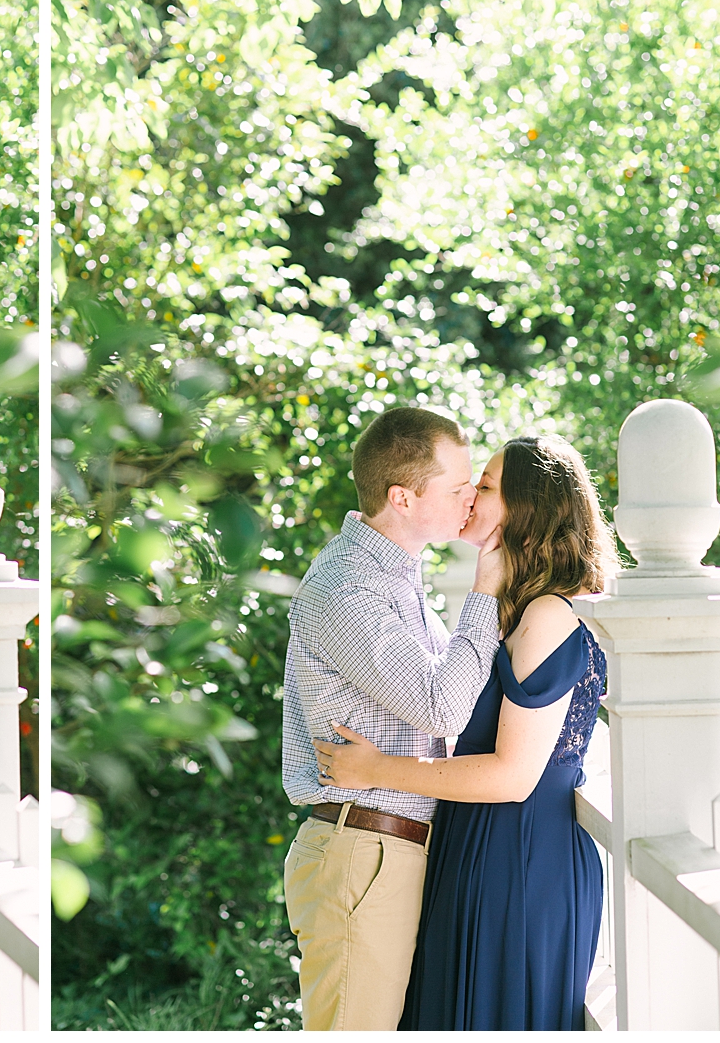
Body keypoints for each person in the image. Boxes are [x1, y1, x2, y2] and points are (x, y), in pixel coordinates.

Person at [315, 435, 613, 1031]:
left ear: (527, 509)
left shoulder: (548, 615)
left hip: (518, 861)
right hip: (480, 845)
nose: (472, 497)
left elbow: (512, 774)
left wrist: (375, 770)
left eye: (487, 487)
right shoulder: (515, 608)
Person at [282, 405, 505, 1031]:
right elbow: (440, 704)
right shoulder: (344, 590)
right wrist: (486, 584)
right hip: (362, 854)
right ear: (403, 497)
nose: (469, 498)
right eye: (458, 486)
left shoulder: (399, 583)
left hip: (389, 853)